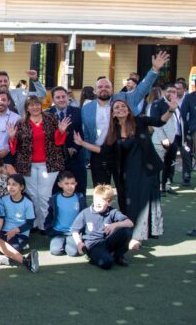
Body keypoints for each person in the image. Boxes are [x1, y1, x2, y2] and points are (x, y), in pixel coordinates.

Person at [75, 97, 174, 250]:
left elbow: (160, 121)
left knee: (143, 202)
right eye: (117, 108)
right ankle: (130, 233)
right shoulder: (112, 132)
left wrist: (171, 109)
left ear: (128, 109)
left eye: (123, 106)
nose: (120, 109)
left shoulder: (139, 121)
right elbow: (102, 150)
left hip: (146, 170)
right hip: (127, 174)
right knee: (129, 203)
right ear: (113, 113)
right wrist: (82, 143)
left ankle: (137, 237)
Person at [81, 50, 167, 186]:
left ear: (112, 89)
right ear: (95, 91)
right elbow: (86, 132)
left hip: (122, 152)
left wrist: (155, 69)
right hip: (98, 154)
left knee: (125, 191)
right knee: (101, 191)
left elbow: (143, 88)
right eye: (100, 87)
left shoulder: (124, 99)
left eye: (107, 86)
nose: (104, 89)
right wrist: (87, 156)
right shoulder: (86, 108)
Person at [8, 95, 68, 229]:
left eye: (37, 104)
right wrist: (12, 137)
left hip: (49, 164)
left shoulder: (51, 119)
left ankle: (45, 224)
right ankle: (34, 223)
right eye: (31, 105)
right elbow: (15, 146)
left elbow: (58, 141)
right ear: (27, 108)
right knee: (32, 195)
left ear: (41, 106)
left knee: (44, 195)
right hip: (27, 165)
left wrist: (61, 131)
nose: (35, 107)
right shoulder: (21, 123)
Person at [71, 184, 133, 269]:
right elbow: (75, 230)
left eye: (102, 201)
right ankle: (95, 257)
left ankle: (118, 256)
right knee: (107, 263)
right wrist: (79, 243)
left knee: (127, 232)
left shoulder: (112, 212)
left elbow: (130, 223)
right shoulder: (85, 212)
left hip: (107, 241)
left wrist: (115, 225)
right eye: (96, 200)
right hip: (93, 244)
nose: (98, 203)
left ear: (109, 203)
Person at [47, 86, 87, 195]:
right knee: (56, 190)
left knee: (79, 188)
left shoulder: (78, 112)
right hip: (56, 159)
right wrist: (63, 150)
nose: (61, 99)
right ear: (53, 99)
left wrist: (74, 147)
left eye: (63, 96)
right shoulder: (47, 114)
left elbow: (83, 132)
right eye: (58, 97)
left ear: (68, 97)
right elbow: (47, 137)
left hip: (76, 157)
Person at [45, 171, 86, 257]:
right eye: (66, 183)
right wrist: (48, 228)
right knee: (55, 251)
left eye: (72, 183)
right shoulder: (55, 198)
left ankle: (69, 242)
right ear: (60, 184)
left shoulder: (80, 198)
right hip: (58, 232)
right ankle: (60, 242)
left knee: (73, 252)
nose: (70, 186)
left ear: (76, 184)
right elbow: (50, 214)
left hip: (73, 233)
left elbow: (84, 215)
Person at [151, 84, 182, 195]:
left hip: (174, 140)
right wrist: (163, 138)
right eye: (169, 91)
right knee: (159, 165)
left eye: (174, 91)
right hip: (160, 141)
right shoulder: (157, 104)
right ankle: (157, 188)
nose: (172, 93)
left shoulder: (176, 104)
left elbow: (179, 122)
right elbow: (154, 123)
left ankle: (166, 186)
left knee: (170, 165)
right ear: (164, 91)